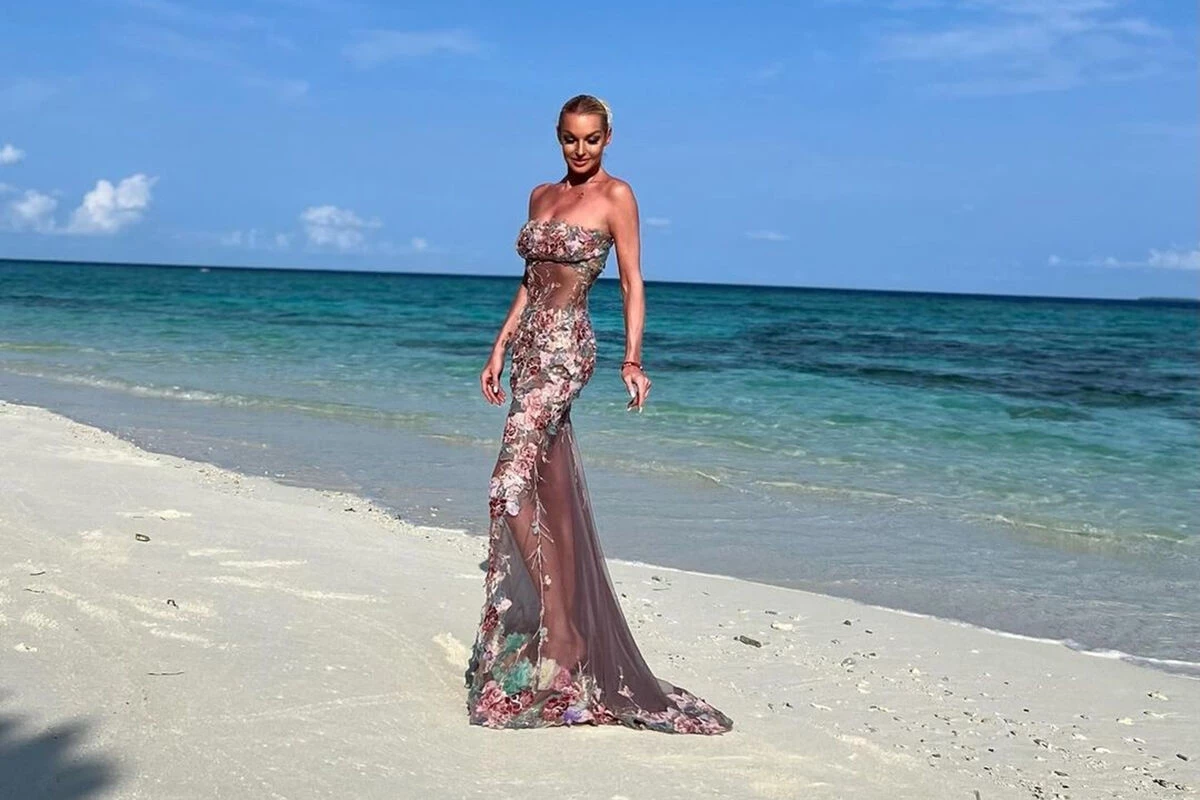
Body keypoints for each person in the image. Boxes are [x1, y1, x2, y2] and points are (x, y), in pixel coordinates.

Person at [465, 94, 734, 734]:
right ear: (558, 137)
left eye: (591, 139)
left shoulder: (617, 197)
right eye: (569, 138)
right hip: (529, 349)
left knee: (506, 488)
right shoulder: (540, 196)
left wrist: (632, 359)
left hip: (566, 351)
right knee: (545, 488)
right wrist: (500, 345)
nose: (580, 150)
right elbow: (531, 282)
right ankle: (562, 623)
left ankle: (563, 632)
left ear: (608, 137)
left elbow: (633, 280)